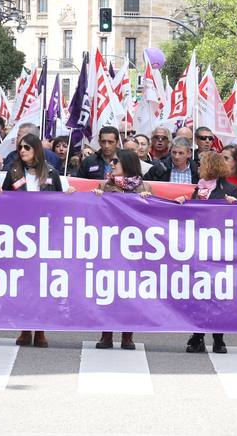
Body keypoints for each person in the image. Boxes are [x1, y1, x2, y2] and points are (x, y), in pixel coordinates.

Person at [0, 133, 66, 348]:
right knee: (24, 284)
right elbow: (5, 199)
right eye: (20, 147)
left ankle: (41, 330)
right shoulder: (14, 172)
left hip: (44, 234)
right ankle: (25, 328)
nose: (22, 151)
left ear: (36, 149)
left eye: (27, 147)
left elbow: (60, 203)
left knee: (42, 284)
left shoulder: (51, 172)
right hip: (21, 235)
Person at [176, 149, 237, 355]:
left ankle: (218, 338)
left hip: (219, 249)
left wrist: (234, 205)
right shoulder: (198, 189)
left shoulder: (230, 189)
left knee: (217, 295)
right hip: (199, 249)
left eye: (203, 164)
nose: (200, 168)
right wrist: (185, 203)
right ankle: (198, 336)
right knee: (198, 294)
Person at [96, 149, 149, 351]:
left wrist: (147, 201)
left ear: (127, 164)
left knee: (131, 293)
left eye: (116, 161)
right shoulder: (105, 186)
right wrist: (97, 198)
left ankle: (128, 335)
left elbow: (153, 218)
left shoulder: (144, 187)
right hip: (111, 246)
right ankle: (106, 334)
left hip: (135, 249)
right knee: (109, 291)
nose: (112, 164)